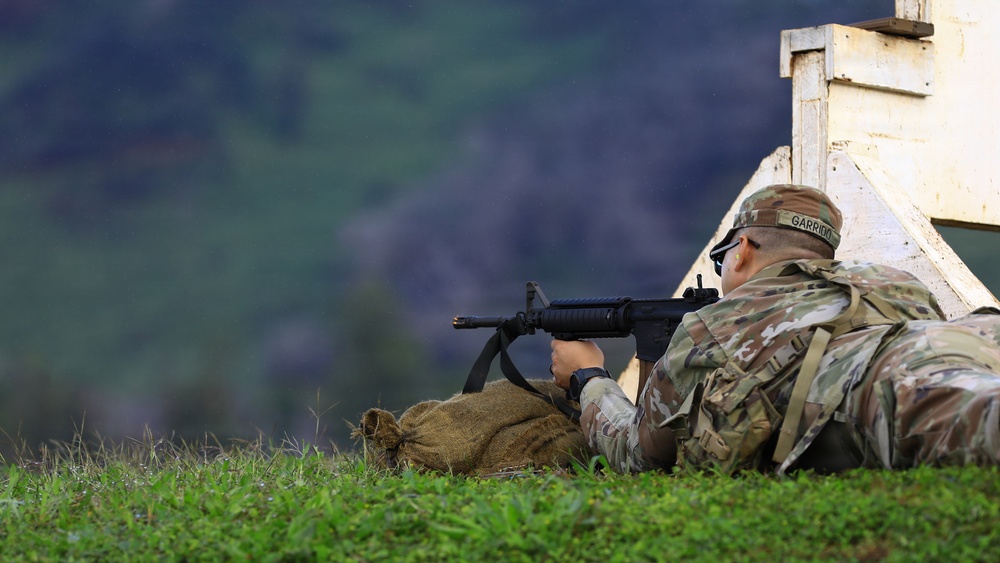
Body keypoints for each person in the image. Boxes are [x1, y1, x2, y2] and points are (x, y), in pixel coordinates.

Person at [549, 184, 1000, 474]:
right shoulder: (896, 283)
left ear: (741, 249)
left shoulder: (716, 324)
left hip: (882, 385)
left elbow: (639, 455)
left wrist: (589, 377)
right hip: (975, 337)